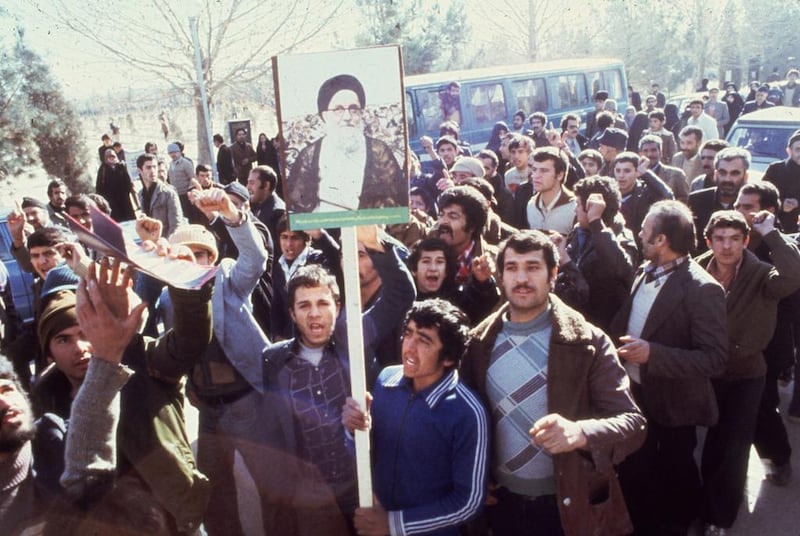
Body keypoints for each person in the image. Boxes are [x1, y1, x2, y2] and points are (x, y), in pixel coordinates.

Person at [461, 230, 645, 535]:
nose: (521, 278)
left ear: (553, 274)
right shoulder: (478, 344)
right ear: (500, 275)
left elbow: (632, 424)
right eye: (512, 268)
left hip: (565, 505)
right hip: (500, 505)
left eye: (533, 267)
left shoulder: (588, 341)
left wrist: (579, 432)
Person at [260, 226, 415, 535]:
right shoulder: (274, 360)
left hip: (366, 486)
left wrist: (375, 243)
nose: (315, 314)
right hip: (314, 496)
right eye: (304, 305)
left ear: (339, 307)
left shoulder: (353, 337)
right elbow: (276, 430)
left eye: (323, 304)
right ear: (292, 313)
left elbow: (402, 294)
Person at [611, 200, 728, 535]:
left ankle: (680, 522)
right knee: (636, 468)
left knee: (675, 471)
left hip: (674, 404)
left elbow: (714, 359)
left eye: (645, 230)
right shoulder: (644, 270)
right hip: (635, 394)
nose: (639, 234)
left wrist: (653, 355)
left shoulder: (702, 289)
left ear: (661, 240)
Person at [160, 189, 272, 536]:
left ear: (212, 257)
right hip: (208, 411)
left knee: (271, 486)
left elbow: (255, 260)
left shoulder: (226, 277)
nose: (192, 260)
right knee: (216, 494)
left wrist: (232, 216)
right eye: (184, 254)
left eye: (200, 253)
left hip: (247, 402)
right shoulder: (168, 295)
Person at [342, 299, 488, 536]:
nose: (409, 346)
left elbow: (468, 503)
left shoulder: (468, 411)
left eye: (424, 340)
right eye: (408, 334)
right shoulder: (385, 380)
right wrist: (353, 430)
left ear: (448, 357)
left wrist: (393, 525)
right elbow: (366, 453)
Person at [695, 209, 800, 535]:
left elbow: (794, 274)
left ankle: (719, 518)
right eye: (720, 239)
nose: (726, 247)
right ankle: (703, 503)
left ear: (746, 241)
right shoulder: (696, 270)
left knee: (733, 446)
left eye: (735, 239)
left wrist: (772, 233)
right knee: (707, 444)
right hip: (706, 372)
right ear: (708, 240)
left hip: (746, 374)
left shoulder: (763, 274)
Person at [287, 74, 405, 213]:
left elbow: (396, 199)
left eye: (354, 109)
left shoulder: (379, 151)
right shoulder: (310, 155)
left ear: (361, 113)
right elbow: (296, 204)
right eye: (338, 110)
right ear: (325, 115)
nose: (347, 117)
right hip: (322, 228)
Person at [554, 176, 638, 333]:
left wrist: (596, 222)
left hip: (602, 327)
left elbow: (621, 270)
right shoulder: (579, 233)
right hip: (575, 321)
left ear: (592, 208)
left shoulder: (622, 239)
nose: (575, 210)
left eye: (578, 204)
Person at [688, 147, 751, 254]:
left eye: (734, 173)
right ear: (715, 174)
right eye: (723, 173)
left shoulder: (752, 204)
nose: (727, 179)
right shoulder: (696, 200)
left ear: (745, 176)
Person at [526, 147, 576, 235]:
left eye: (544, 171)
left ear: (560, 175)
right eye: (534, 170)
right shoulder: (531, 205)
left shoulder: (575, 208)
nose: (535, 176)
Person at [763, 129, 800, 233]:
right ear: (789, 151)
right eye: (798, 149)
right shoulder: (775, 169)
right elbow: (762, 195)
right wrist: (781, 204)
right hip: (776, 225)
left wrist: (797, 203)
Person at [639, 134, 690, 203]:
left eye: (653, 150)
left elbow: (685, 200)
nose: (649, 154)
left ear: (660, 153)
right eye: (645, 151)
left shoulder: (676, 174)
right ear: (640, 154)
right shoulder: (634, 175)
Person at [95, 148, 137, 222]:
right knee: (116, 220)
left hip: (124, 199)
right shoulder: (103, 169)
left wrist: (128, 190)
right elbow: (99, 186)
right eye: (109, 157)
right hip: (111, 200)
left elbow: (128, 180)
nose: (111, 158)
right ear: (105, 158)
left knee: (129, 219)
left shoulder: (121, 166)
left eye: (113, 156)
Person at [247, 165, 286, 242]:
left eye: (252, 183)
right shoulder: (259, 204)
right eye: (248, 182)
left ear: (266, 185)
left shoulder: (277, 212)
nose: (248, 187)